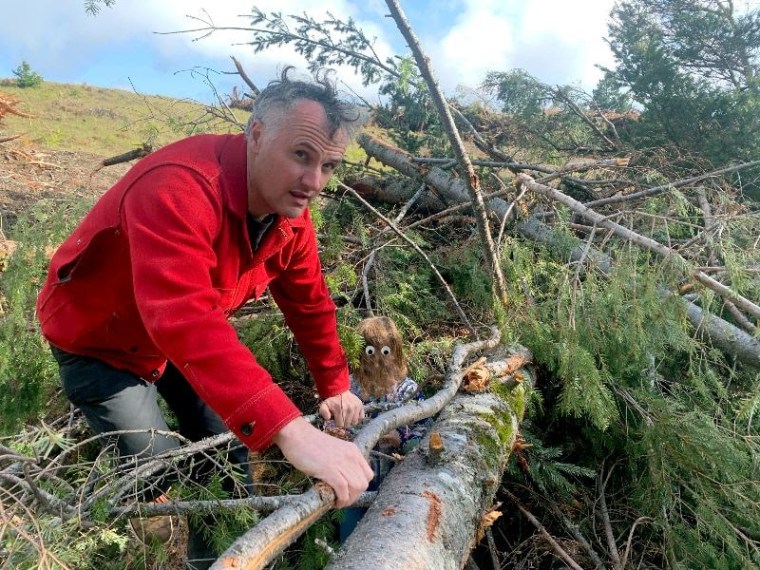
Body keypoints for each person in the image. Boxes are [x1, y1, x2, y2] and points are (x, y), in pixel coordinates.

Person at [35, 67, 374, 569]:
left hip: (173, 342)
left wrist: (335, 384)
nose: (313, 183)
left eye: (328, 166)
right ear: (256, 135)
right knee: (152, 468)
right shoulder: (179, 186)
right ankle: (117, 518)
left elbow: (309, 302)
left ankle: (212, 559)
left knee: (225, 453)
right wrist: (293, 431)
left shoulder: (289, 216)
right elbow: (184, 317)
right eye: (301, 156)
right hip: (98, 340)